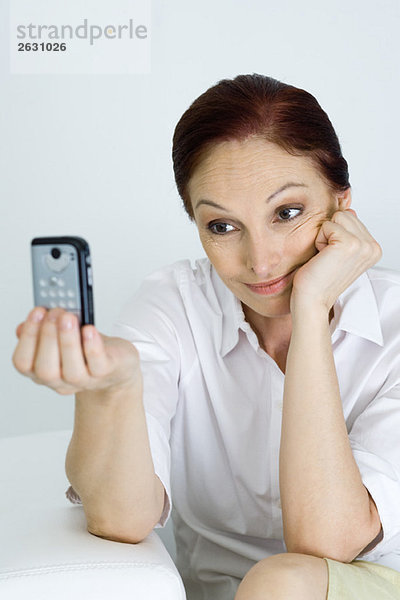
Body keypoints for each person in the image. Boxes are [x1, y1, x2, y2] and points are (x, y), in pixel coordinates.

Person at [12, 73, 400, 600]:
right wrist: (114, 388)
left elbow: (325, 542)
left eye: (287, 214)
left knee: (281, 583)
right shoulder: (173, 303)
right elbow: (122, 521)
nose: (259, 260)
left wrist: (310, 310)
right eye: (222, 226)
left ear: (341, 204)